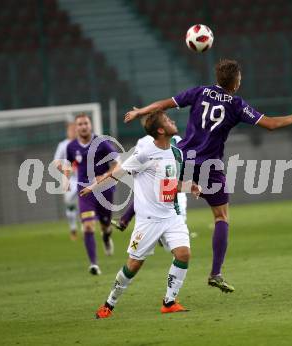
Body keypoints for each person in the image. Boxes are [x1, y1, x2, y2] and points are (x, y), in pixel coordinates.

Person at [124, 59, 292, 292]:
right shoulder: (236, 104)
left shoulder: (199, 92)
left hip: (183, 158)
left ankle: (129, 222)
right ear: (235, 82)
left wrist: (139, 112)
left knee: (157, 188)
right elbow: (271, 124)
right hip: (211, 168)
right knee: (221, 217)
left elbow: (164, 104)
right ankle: (215, 273)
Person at [80, 111, 201, 318]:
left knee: (183, 254)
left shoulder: (176, 153)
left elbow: (169, 185)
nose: (172, 121)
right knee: (134, 265)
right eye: (167, 120)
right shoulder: (144, 154)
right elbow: (117, 174)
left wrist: (190, 186)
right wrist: (93, 187)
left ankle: (169, 302)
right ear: (161, 130)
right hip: (148, 221)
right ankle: (109, 303)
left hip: (171, 216)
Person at [64, 113, 120, 275]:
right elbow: (68, 163)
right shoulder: (71, 146)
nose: (83, 126)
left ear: (91, 125)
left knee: (105, 225)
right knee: (88, 226)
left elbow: (117, 163)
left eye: (85, 123)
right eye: (80, 124)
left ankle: (106, 236)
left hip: (104, 190)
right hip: (84, 191)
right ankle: (94, 264)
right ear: (76, 127)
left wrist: (105, 175)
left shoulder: (101, 142)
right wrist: (66, 180)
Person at [111, 134, 188, 231]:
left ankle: (125, 220)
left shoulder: (176, 139)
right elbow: (134, 166)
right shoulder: (144, 141)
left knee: (177, 227)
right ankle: (127, 221)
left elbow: (182, 161)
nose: (171, 122)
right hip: (155, 187)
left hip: (172, 186)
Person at [54, 122, 79, 240]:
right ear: (67, 131)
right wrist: (66, 170)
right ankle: (73, 228)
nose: (73, 131)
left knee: (88, 202)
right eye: (71, 129)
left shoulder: (83, 143)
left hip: (84, 178)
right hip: (69, 178)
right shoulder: (62, 145)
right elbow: (56, 162)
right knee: (70, 204)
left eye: (75, 129)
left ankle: (87, 227)